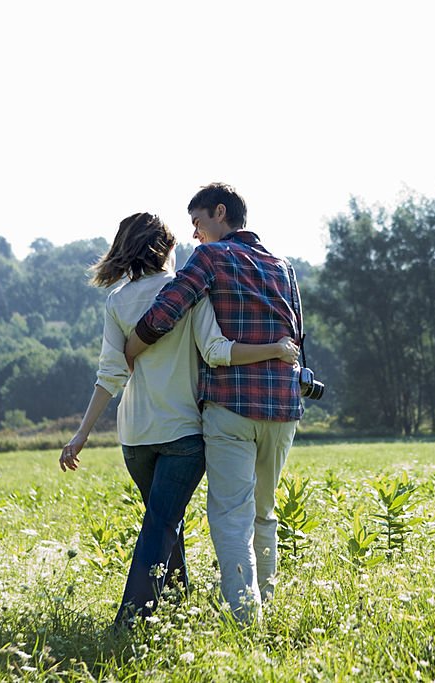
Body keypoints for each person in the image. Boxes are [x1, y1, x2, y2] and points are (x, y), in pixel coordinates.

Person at [58, 212, 297, 627]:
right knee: (163, 523)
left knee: (165, 520)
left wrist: (80, 435)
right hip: (184, 432)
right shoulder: (190, 293)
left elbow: (110, 374)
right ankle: (130, 622)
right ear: (166, 250)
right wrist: (275, 349)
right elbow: (216, 351)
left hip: (134, 435)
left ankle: (174, 606)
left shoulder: (116, 300)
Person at [125, 183, 303, 623]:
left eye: (198, 223)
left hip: (231, 406)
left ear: (220, 213)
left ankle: (246, 617)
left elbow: (168, 308)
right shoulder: (284, 267)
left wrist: (133, 346)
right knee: (265, 510)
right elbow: (297, 338)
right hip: (283, 407)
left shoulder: (210, 258)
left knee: (229, 514)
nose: (195, 235)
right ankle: (268, 601)